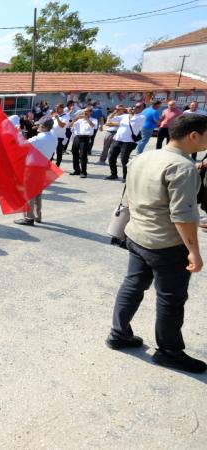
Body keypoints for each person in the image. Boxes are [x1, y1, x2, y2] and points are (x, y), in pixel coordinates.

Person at [106, 114, 207, 374]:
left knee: (133, 284)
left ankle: (118, 333)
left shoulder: (144, 156)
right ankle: (169, 351)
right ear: (193, 135)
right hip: (166, 244)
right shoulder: (183, 168)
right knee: (171, 299)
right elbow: (183, 217)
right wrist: (194, 252)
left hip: (137, 235)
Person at [14, 118, 58, 226]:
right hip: (44, 166)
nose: (37, 127)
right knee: (38, 193)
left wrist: (18, 132)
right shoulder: (54, 137)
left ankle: (29, 218)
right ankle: (38, 216)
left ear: (43, 127)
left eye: (39, 125)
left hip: (32, 168)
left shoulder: (38, 138)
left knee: (29, 193)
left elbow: (21, 144)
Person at [106, 103, 146, 181]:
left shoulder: (141, 117)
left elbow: (132, 122)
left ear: (142, 109)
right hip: (118, 139)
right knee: (111, 157)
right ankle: (113, 174)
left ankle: (126, 177)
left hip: (129, 142)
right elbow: (111, 120)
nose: (135, 108)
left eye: (138, 107)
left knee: (124, 159)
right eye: (134, 106)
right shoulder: (125, 116)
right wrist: (115, 111)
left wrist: (130, 113)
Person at [69, 107, 95, 178]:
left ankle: (84, 172)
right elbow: (70, 125)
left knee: (83, 156)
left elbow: (93, 126)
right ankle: (77, 170)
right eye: (84, 112)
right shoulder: (79, 120)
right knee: (75, 154)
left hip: (85, 138)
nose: (85, 113)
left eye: (87, 111)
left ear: (90, 112)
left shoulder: (93, 119)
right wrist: (75, 119)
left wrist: (87, 119)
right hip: (77, 137)